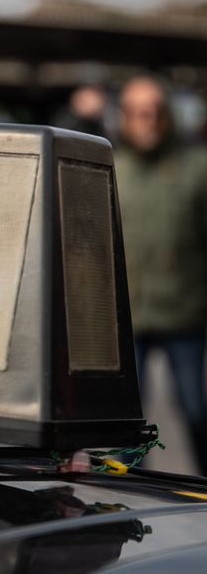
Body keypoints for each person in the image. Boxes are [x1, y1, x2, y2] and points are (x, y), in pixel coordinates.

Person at [114, 75, 207, 473]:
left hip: (184, 311)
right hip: (127, 315)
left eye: (152, 111)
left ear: (166, 114)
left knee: (194, 408)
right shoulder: (112, 167)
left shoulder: (196, 168)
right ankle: (122, 497)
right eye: (135, 112)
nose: (145, 120)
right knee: (123, 420)